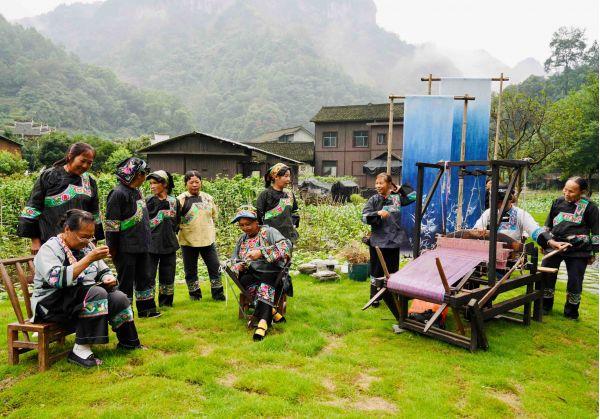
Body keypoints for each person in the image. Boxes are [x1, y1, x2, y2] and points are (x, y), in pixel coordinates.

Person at [31, 209, 142, 368]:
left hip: (77, 299)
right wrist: (89, 259)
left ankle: (129, 342)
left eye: (91, 237)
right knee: (96, 293)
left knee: (118, 298)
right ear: (67, 229)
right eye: (84, 236)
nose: (88, 241)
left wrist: (107, 278)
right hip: (51, 305)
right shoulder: (49, 248)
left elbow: (102, 270)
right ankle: (80, 350)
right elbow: (56, 279)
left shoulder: (87, 247)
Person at [17, 143, 104, 254]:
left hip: (81, 244)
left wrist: (94, 240)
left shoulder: (90, 182)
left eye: (89, 163)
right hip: (50, 240)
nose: (85, 166)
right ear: (70, 156)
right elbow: (33, 207)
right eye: (82, 161)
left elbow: (94, 213)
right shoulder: (49, 176)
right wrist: (35, 240)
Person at [105, 157, 160, 318]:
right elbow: (112, 224)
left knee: (145, 278)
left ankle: (147, 310)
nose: (144, 177)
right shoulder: (117, 194)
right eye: (143, 174)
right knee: (126, 281)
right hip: (125, 247)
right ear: (134, 174)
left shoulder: (137, 192)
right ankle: (124, 313)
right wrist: (112, 247)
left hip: (142, 245)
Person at [228, 205, 291, 341]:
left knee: (265, 282)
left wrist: (261, 252)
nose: (245, 228)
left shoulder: (269, 232)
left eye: (248, 224)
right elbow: (234, 260)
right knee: (243, 281)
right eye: (241, 225)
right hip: (252, 274)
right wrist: (238, 266)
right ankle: (271, 311)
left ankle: (263, 323)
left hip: (273, 273)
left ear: (257, 221)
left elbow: (286, 248)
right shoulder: (242, 240)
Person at [538, 177, 598, 319]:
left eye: (571, 191)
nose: (566, 193)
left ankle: (571, 313)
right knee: (546, 275)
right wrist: (545, 242)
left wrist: (593, 252)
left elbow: (596, 231)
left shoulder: (590, 207)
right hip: (555, 245)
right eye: (565, 189)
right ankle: (545, 307)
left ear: (582, 192)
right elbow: (548, 224)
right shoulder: (557, 202)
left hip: (578, 249)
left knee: (575, 280)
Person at [361, 173, 415, 314]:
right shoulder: (373, 199)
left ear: (389, 184)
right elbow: (363, 217)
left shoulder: (396, 199)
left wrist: (400, 189)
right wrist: (378, 213)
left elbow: (413, 197)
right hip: (378, 241)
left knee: (392, 272)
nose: (378, 186)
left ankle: (392, 297)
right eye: (376, 183)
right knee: (376, 271)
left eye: (381, 183)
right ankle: (375, 298)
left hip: (394, 240)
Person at [177, 170, 225, 301]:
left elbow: (214, 215)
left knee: (215, 267)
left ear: (201, 183)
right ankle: (195, 296)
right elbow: (176, 220)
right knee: (190, 270)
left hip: (207, 239)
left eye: (197, 182)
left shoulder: (208, 198)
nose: (194, 185)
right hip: (188, 240)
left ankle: (218, 295)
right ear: (186, 184)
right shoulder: (181, 200)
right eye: (191, 182)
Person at [146, 170, 180, 307]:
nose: (152, 186)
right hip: (151, 245)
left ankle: (166, 303)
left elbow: (176, 222)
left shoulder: (174, 201)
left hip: (169, 243)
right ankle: (148, 304)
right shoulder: (147, 201)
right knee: (149, 276)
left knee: (168, 275)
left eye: (155, 183)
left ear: (165, 184)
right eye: (150, 183)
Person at [473, 184, 548, 246]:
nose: (498, 203)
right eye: (496, 200)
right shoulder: (489, 213)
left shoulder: (520, 214)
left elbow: (535, 230)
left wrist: (549, 241)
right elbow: (477, 228)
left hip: (512, 253)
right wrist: (479, 229)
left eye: (501, 200)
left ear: (511, 199)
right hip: (490, 252)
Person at [256, 163, 299, 245]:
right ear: (276, 177)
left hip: (288, 238)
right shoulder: (266, 194)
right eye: (286, 176)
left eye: (289, 176)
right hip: (270, 239)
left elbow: (294, 213)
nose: (289, 179)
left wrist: (293, 226)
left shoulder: (289, 194)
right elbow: (258, 216)